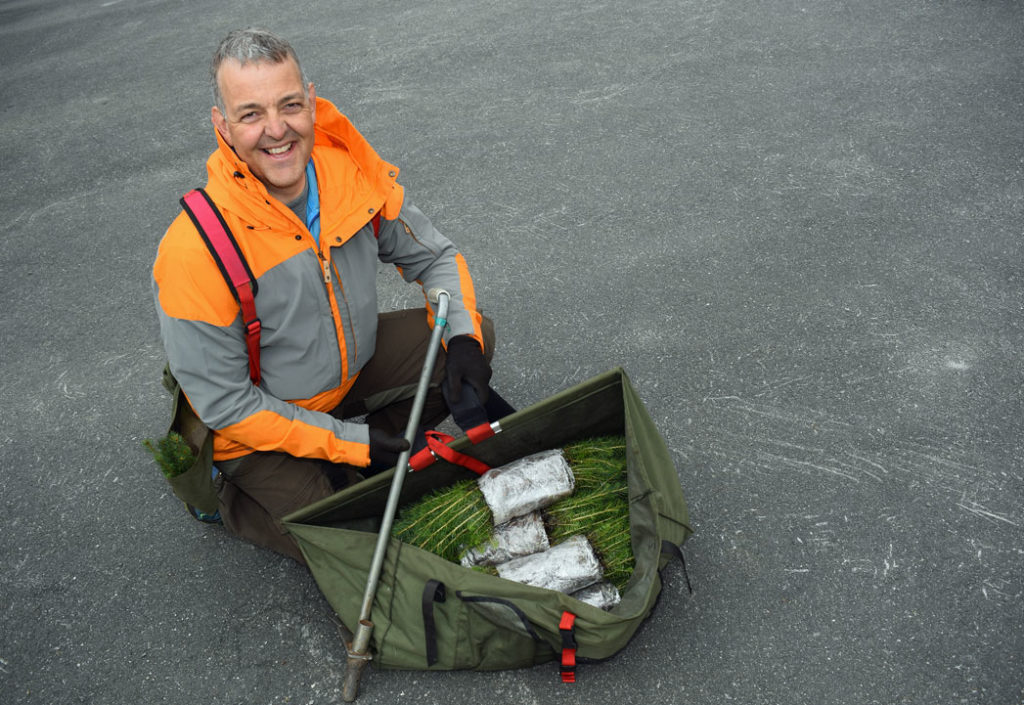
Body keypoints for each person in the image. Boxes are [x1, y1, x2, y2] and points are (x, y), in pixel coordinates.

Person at [152, 28, 502, 562]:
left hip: (348, 373)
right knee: (348, 541)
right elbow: (226, 405)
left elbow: (434, 258)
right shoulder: (193, 249)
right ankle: (234, 499)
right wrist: (349, 443)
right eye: (250, 115)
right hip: (256, 424)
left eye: (290, 105)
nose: (277, 130)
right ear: (221, 125)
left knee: (474, 330)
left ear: (311, 100)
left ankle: (372, 456)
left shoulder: (349, 173)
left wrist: (464, 343)